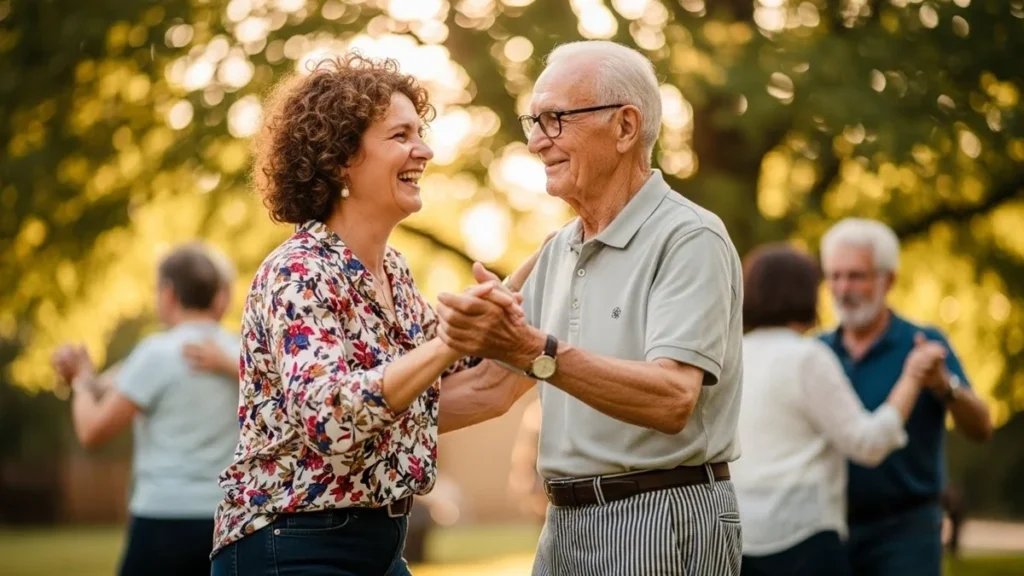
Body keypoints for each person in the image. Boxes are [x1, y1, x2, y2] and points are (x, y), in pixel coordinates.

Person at [208, 53, 533, 576]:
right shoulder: (298, 273)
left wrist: (550, 279)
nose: (424, 150)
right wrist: (450, 341)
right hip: (290, 542)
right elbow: (329, 419)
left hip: (378, 544)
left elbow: (473, 387)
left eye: (420, 133)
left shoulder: (395, 274)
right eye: (400, 135)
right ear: (340, 160)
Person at [433, 40, 746, 575]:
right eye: (532, 121)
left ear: (625, 127)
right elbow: (490, 388)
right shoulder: (558, 250)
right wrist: (353, 421)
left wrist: (536, 350)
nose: (534, 142)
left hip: (659, 515)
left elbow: (672, 398)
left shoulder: (689, 238)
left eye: (554, 119)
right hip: (563, 524)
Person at [730, 243, 945, 576]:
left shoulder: (732, 356)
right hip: (802, 541)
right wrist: (912, 376)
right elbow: (867, 444)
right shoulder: (808, 357)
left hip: (740, 539)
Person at [50, 242, 241, 576]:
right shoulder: (239, 351)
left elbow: (92, 430)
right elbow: (112, 385)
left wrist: (79, 383)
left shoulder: (156, 353)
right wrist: (85, 376)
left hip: (162, 522)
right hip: (227, 524)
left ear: (168, 293)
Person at [818, 218, 993, 576]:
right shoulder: (815, 353)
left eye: (855, 276)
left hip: (906, 532)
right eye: (834, 276)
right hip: (828, 528)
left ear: (889, 280)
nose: (842, 288)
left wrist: (944, 385)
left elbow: (981, 428)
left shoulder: (927, 344)